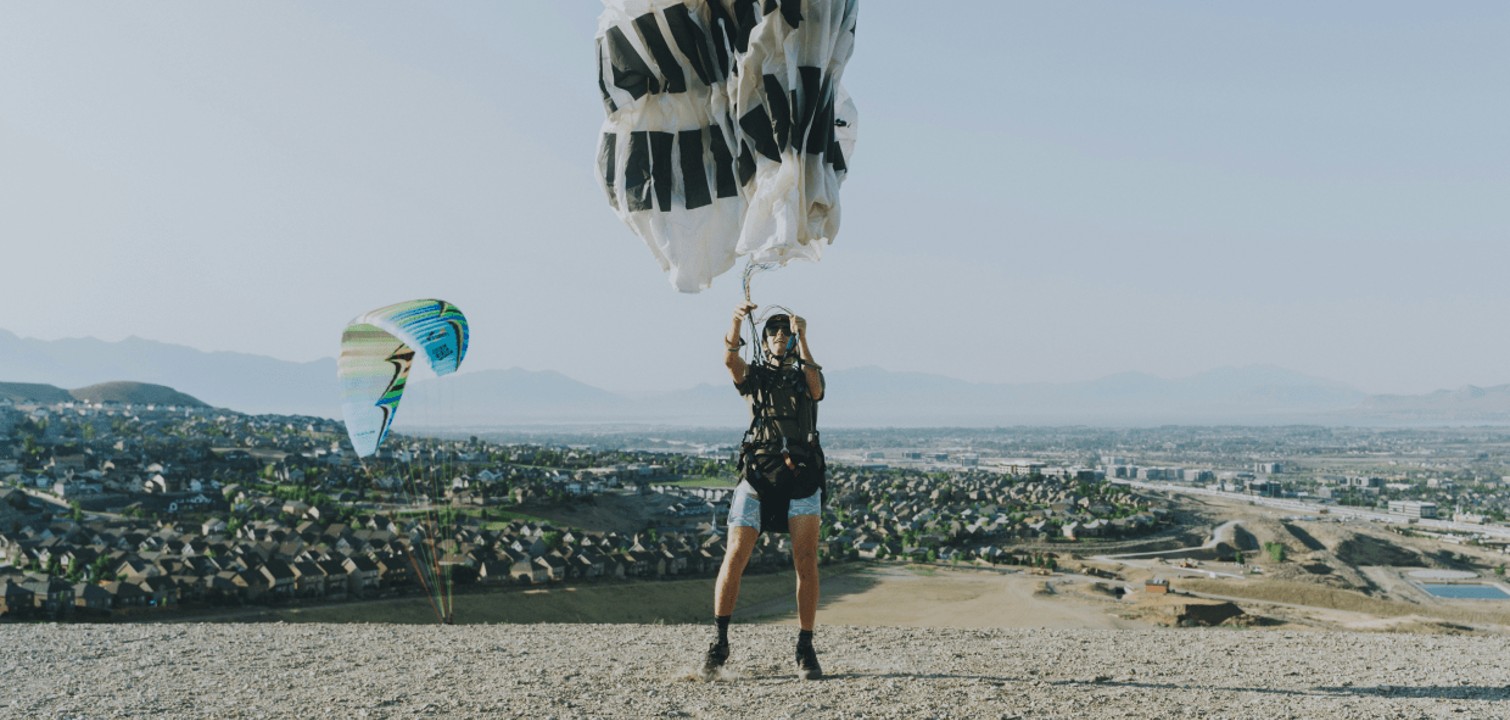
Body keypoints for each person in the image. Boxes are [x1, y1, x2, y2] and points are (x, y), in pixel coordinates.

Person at [702, 299, 827, 681]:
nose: (778, 336)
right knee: (735, 555)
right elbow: (729, 362)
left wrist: (804, 338)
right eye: (772, 331)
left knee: (805, 560)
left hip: (802, 478)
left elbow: (817, 389)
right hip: (758, 475)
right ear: (765, 339)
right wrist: (735, 322)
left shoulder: (807, 373)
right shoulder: (755, 378)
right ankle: (719, 641)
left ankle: (805, 646)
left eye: (785, 331)